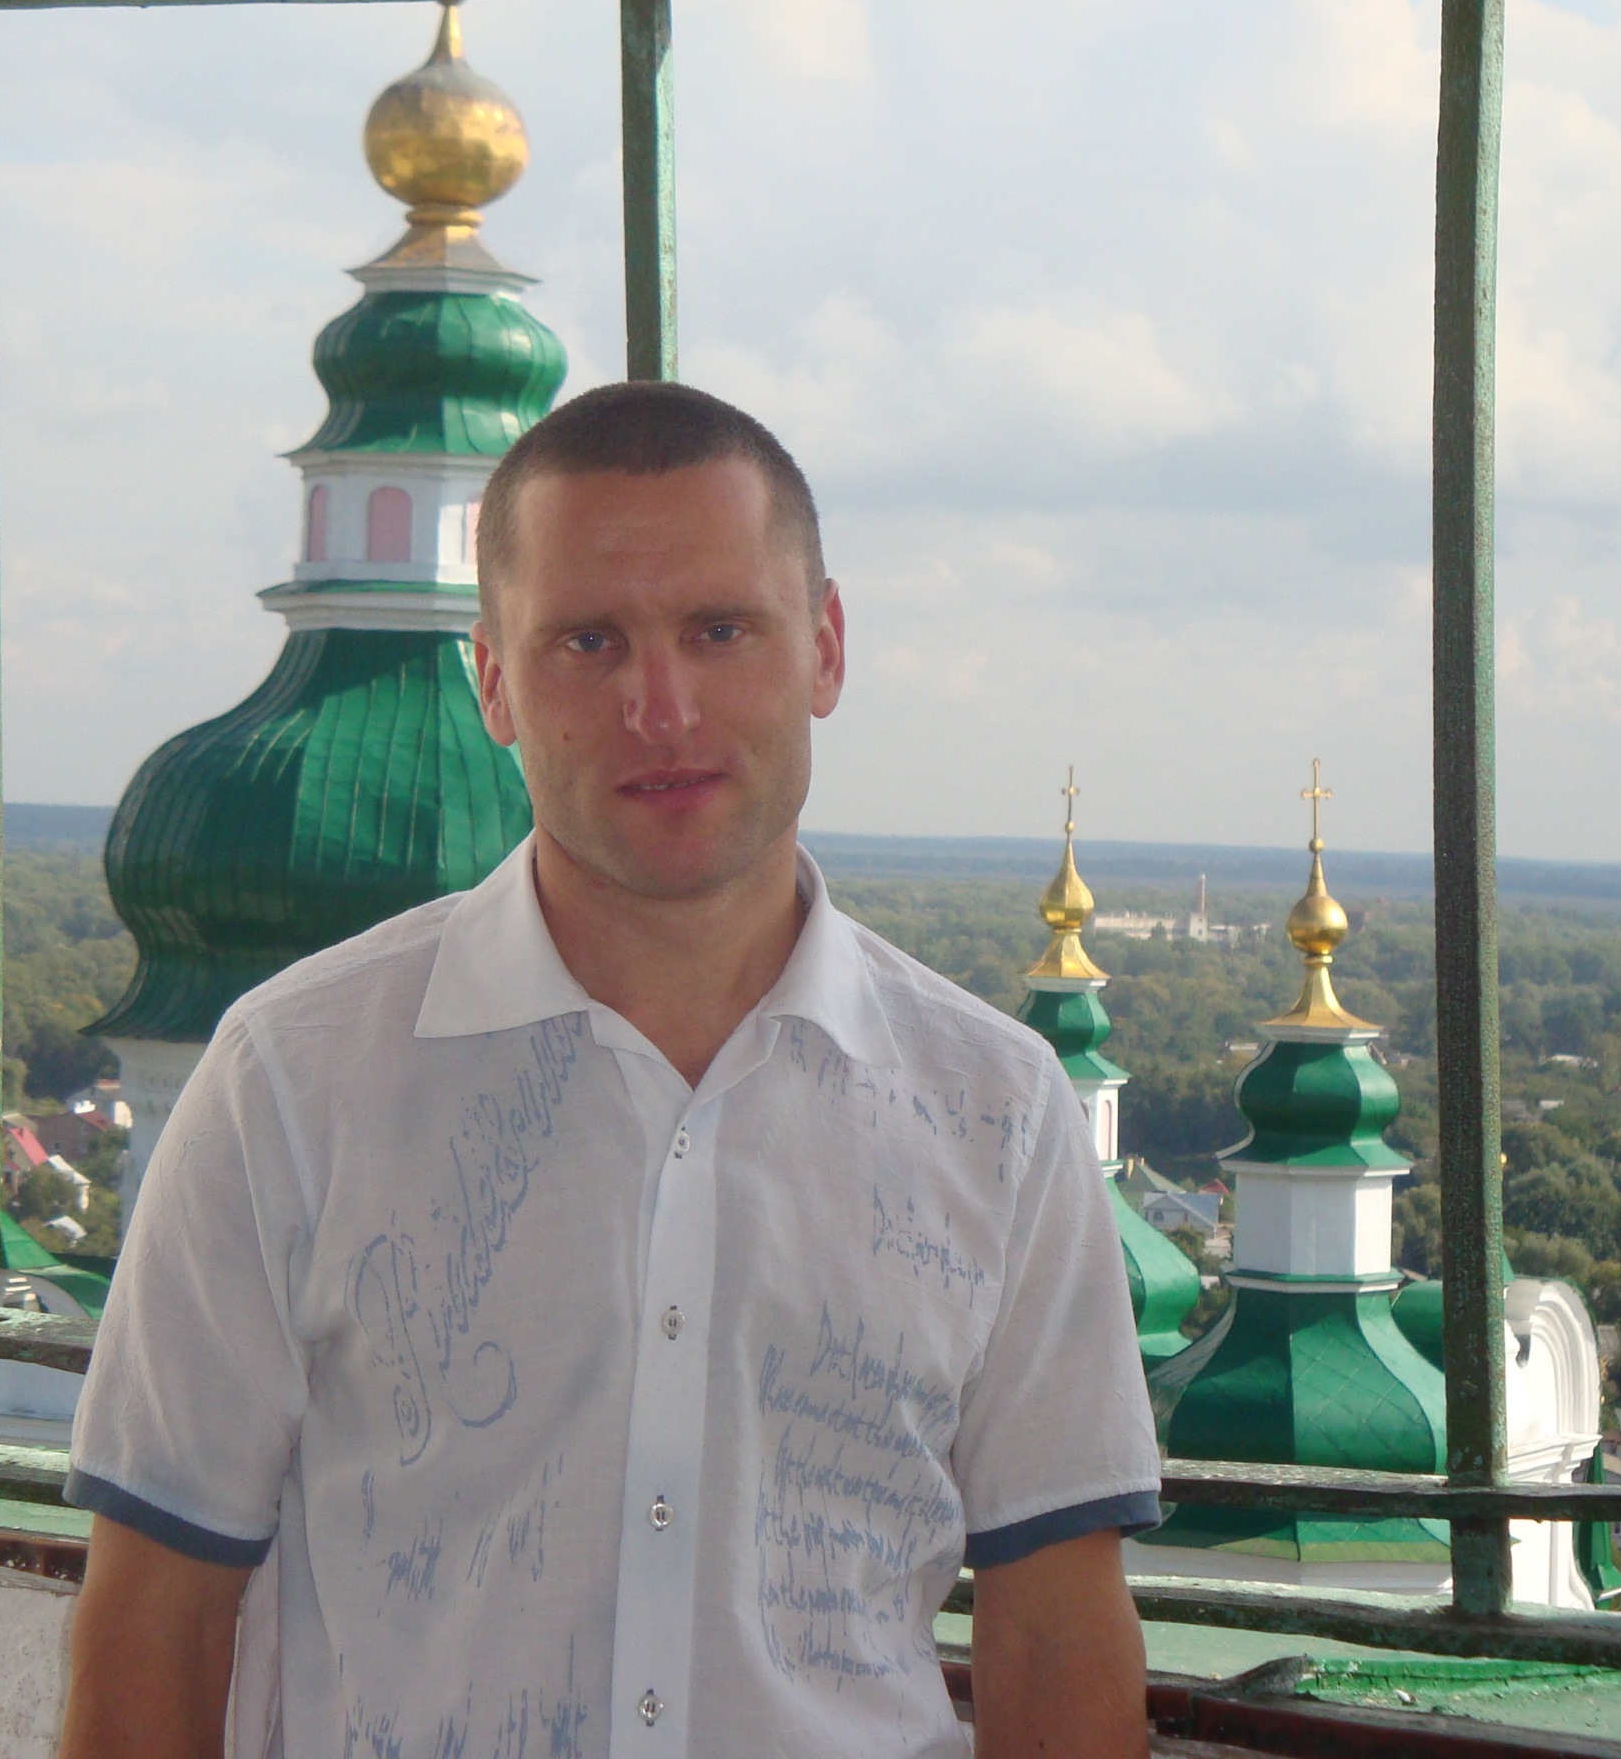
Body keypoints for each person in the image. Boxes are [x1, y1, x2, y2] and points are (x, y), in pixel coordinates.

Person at [58, 382, 1161, 1759]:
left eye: (720, 630)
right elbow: (154, 1619)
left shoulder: (998, 1113)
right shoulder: (292, 1080)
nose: (662, 707)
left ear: (823, 648)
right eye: (589, 642)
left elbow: (1057, 1632)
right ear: (494, 683)